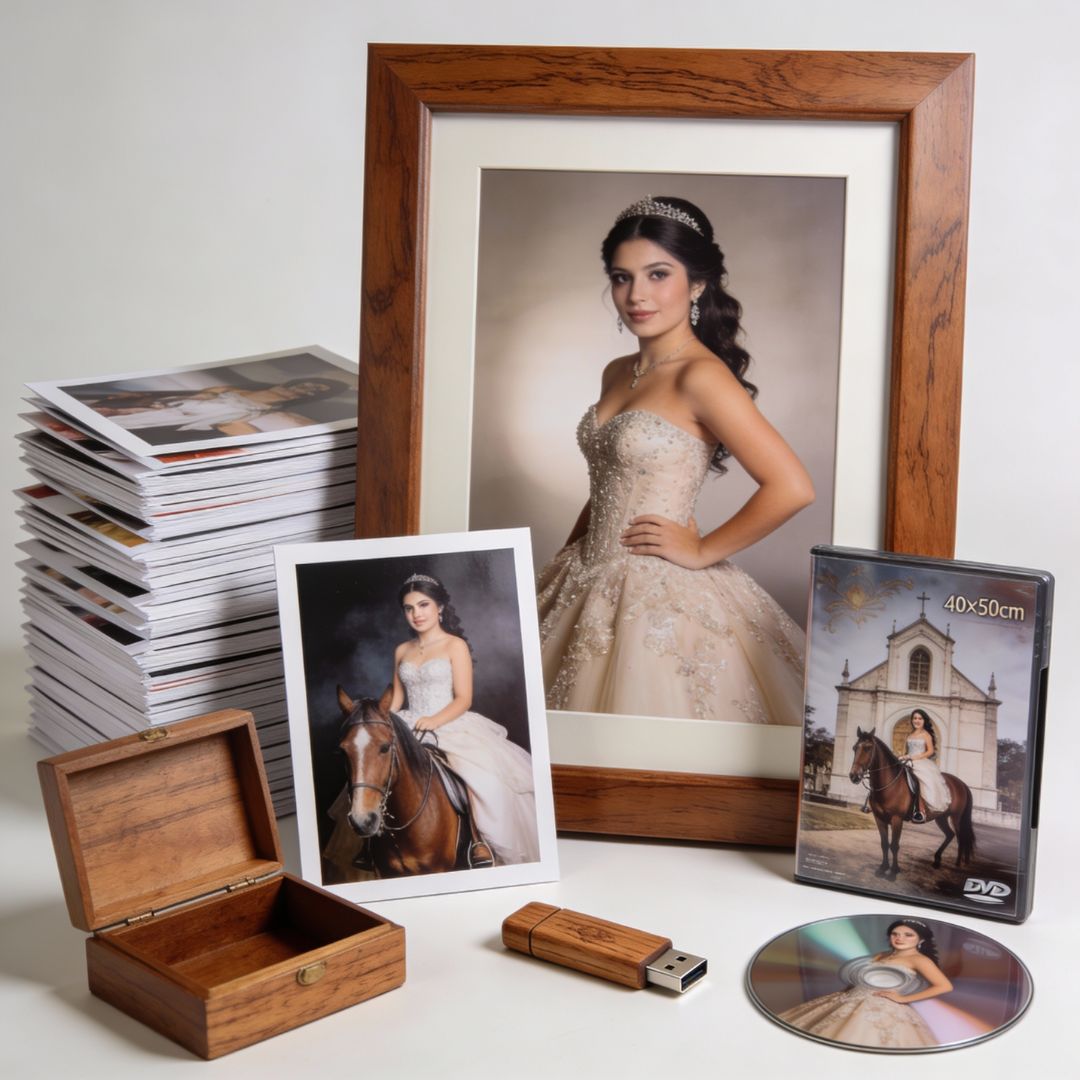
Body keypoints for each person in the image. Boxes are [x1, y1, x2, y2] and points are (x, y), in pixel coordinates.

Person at [536, 195, 814, 724]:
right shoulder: (617, 371)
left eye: (658, 274)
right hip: (585, 572)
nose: (636, 295)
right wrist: (565, 564)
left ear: (699, 283)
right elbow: (610, 484)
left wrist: (704, 548)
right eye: (622, 277)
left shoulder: (701, 376)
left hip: (655, 591)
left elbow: (792, 485)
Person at [387, 573, 539, 866]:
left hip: (448, 721)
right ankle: (376, 848)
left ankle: (479, 841)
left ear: (439, 607)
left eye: (423, 605)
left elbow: (463, 699)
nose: (416, 614)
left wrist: (433, 720)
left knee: (478, 775)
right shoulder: (401, 650)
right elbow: (395, 698)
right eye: (409, 608)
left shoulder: (454, 645)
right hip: (408, 723)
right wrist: (381, 721)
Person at [777, 918, 953, 1049]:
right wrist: (844, 994)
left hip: (882, 1007)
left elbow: (945, 986)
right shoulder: (881, 955)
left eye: (908, 935)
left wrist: (903, 999)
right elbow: (864, 978)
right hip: (849, 998)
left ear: (920, 940)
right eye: (895, 934)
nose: (900, 938)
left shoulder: (920, 960)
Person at [74, 376, 348, 435]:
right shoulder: (233, 387)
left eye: (316, 391)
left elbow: (236, 429)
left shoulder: (267, 412)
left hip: (164, 420)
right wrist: (128, 402)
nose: (307, 388)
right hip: (159, 407)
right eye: (311, 383)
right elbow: (197, 396)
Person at [902, 708, 950, 823]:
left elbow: (930, 752)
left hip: (920, 761)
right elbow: (907, 750)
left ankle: (920, 810)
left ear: (924, 721)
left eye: (920, 718)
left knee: (919, 780)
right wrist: (903, 757)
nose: (917, 721)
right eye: (915, 718)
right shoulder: (910, 734)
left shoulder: (926, 734)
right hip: (908, 760)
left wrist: (913, 757)